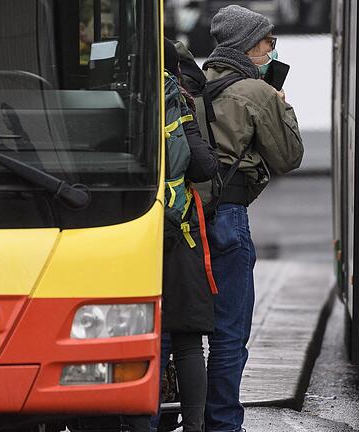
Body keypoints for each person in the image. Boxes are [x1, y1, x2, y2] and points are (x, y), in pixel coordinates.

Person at [200, 6, 303, 432]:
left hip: (183, 215)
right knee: (228, 332)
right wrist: (282, 105)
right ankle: (222, 422)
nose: (271, 49)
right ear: (246, 45)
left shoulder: (191, 83)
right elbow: (289, 156)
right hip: (228, 216)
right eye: (267, 42)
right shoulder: (255, 91)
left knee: (176, 330)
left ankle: (158, 417)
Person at [154, 38, 220, 432]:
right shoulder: (175, 98)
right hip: (177, 230)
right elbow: (204, 165)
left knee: (148, 337)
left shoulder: (116, 93)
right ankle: (194, 426)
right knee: (187, 340)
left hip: (125, 225)